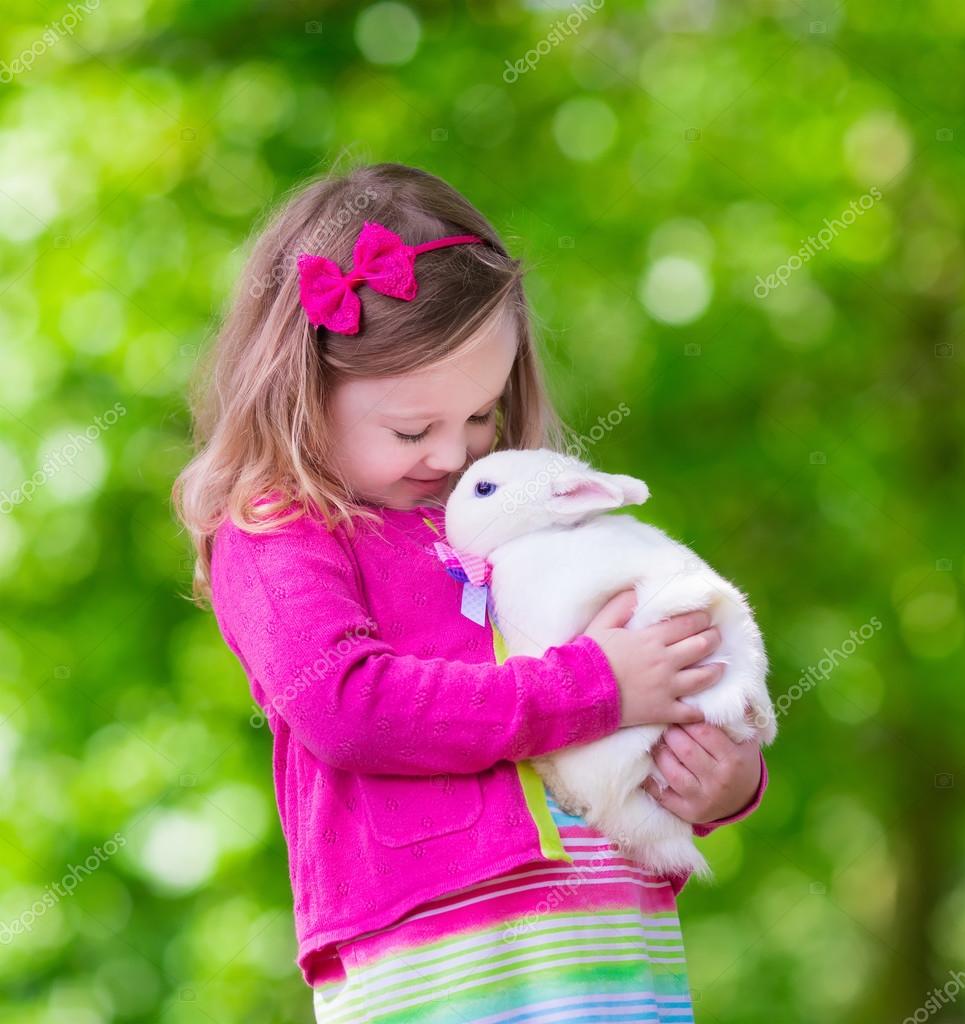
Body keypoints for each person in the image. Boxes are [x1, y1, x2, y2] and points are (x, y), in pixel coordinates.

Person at [172, 160, 768, 1023]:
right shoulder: (277, 532)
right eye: (413, 428)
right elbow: (351, 708)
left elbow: (647, 665)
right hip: (443, 954)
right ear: (302, 391)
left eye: (482, 415)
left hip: (613, 940)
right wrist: (594, 686)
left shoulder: (511, 514)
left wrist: (723, 778)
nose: (453, 456)